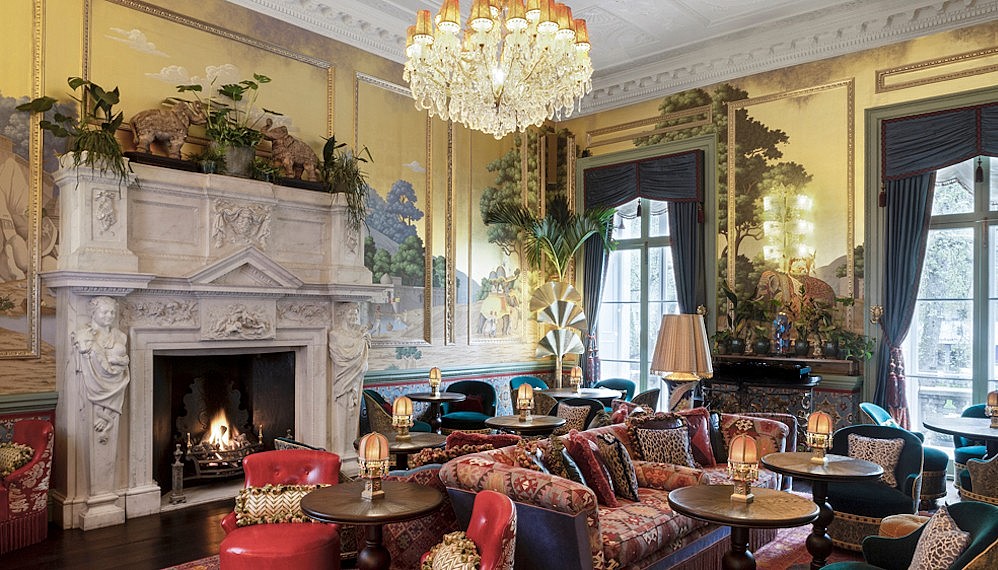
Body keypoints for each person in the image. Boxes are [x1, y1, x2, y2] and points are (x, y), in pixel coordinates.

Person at [72, 296, 130, 442]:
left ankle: (107, 416)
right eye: (104, 312)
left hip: (118, 384)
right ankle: (103, 416)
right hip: (93, 385)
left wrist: (118, 360)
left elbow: (124, 363)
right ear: (93, 313)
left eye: (112, 312)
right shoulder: (84, 335)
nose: (110, 316)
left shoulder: (120, 336)